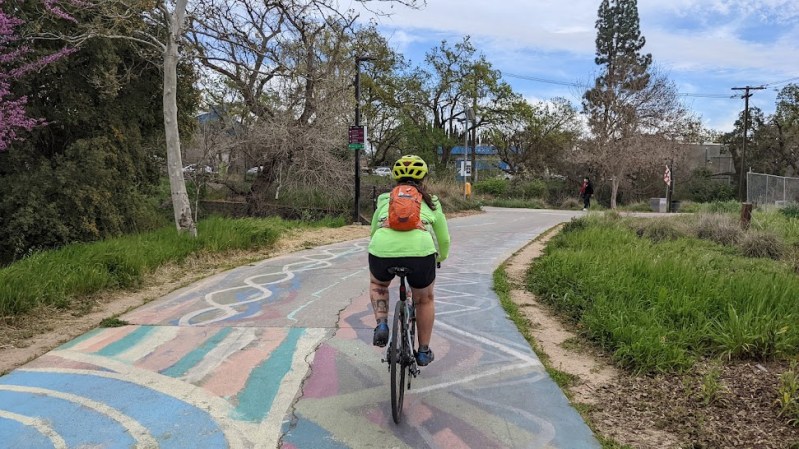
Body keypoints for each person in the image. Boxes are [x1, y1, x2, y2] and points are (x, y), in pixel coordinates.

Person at [368, 155, 450, 366]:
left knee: (379, 284)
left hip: (382, 250)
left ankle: (382, 324)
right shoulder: (431, 201)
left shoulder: (385, 199)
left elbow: (373, 231)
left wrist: (381, 247)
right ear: (423, 178)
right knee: (424, 299)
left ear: (395, 178)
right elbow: (443, 239)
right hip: (421, 254)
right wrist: (439, 257)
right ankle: (423, 351)